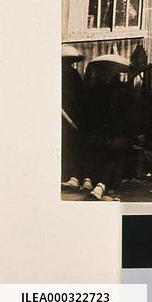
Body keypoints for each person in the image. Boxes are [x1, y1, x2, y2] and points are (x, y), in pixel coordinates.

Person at [81, 51, 137, 201]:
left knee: (111, 154)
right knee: (97, 151)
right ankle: (91, 181)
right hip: (107, 132)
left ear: (115, 73)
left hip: (116, 133)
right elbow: (91, 114)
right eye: (105, 73)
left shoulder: (123, 91)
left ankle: (100, 185)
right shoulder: (98, 90)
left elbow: (128, 116)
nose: (107, 75)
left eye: (109, 73)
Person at [60, 45, 87, 192]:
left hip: (71, 113)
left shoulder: (72, 75)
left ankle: (72, 174)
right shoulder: (72, 74)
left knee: (70, 143)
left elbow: (81, 95)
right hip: (67, 112)